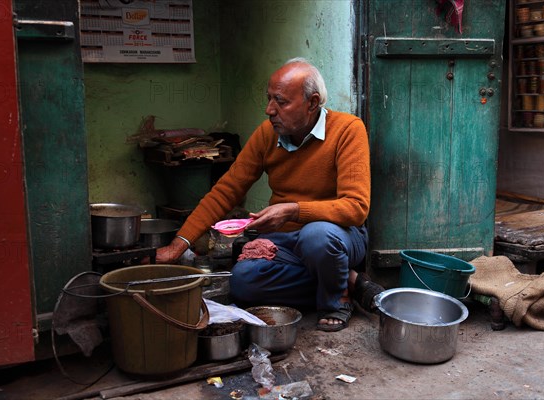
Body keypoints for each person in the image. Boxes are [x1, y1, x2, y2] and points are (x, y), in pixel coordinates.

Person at [148, 57, 384, 332]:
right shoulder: (267, 134)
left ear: (312, 102)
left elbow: (355, 208)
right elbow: (227, 191)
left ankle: (335, 301)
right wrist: (179, 245)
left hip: (336, 238)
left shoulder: (347, 130)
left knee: (316, 236)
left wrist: (293, 210)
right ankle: (348, 282)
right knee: (243, 281)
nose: (269, 110)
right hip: (285, 243)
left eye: (281, 102)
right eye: (269, 98)